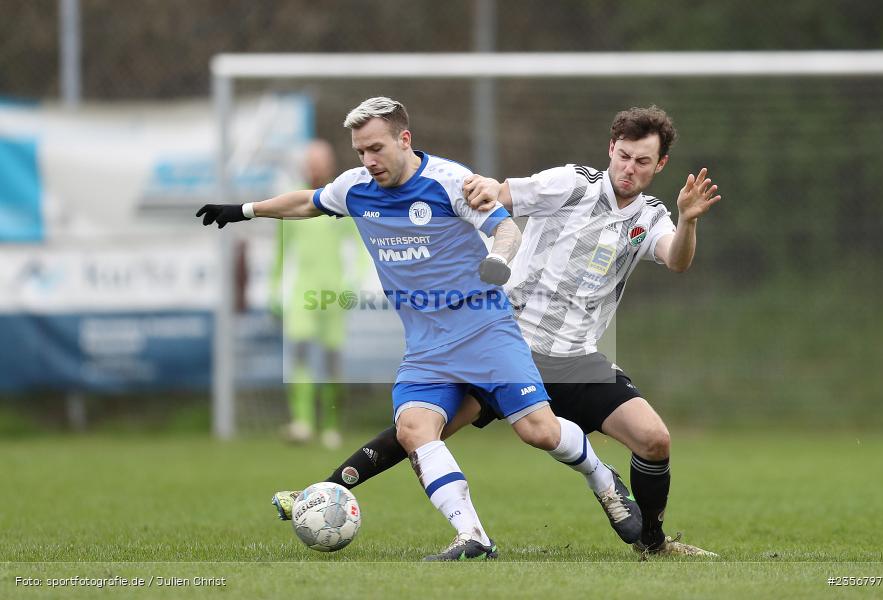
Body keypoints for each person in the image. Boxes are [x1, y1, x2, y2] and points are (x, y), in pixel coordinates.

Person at [197, 97, 639, 561]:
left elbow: (507, 230)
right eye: (360, 151)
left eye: (376, 148)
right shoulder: (355, 188)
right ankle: (472, 536)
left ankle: (603, 479)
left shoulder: (449, 182)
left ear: (404, 139)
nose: (368, 160)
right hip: (427, 347)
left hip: (485, 330)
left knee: (539, 432)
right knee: (413, 429)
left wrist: (497, 259)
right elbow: (308, 202)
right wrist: (245, 210)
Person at [273, 105, 722, 558]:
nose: (629, 168)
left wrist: (688, 219)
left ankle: (654, 544)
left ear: (660, 164)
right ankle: (319, 493)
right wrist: (481, 188)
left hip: (576, 357)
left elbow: (677, 259)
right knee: (418, 430)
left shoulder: (651, 216)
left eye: (642, 161)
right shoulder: (571, 183)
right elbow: (499, 194)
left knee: (654, 439)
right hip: (507, 340)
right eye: (623, 156)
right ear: (611, 149)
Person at [269, 140, 357, 448]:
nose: (316, 168)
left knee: (332, 361)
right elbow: (281, 250)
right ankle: (303, 423)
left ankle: (331, 426)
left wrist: (353, 282)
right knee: (300, 353)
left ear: (330, 165)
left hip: (332, 293)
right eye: (311, 162)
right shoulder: (293, 202)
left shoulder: (340, 201)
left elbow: (359, 246)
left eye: (321, 162)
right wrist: (273, 288)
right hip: (302, 292)